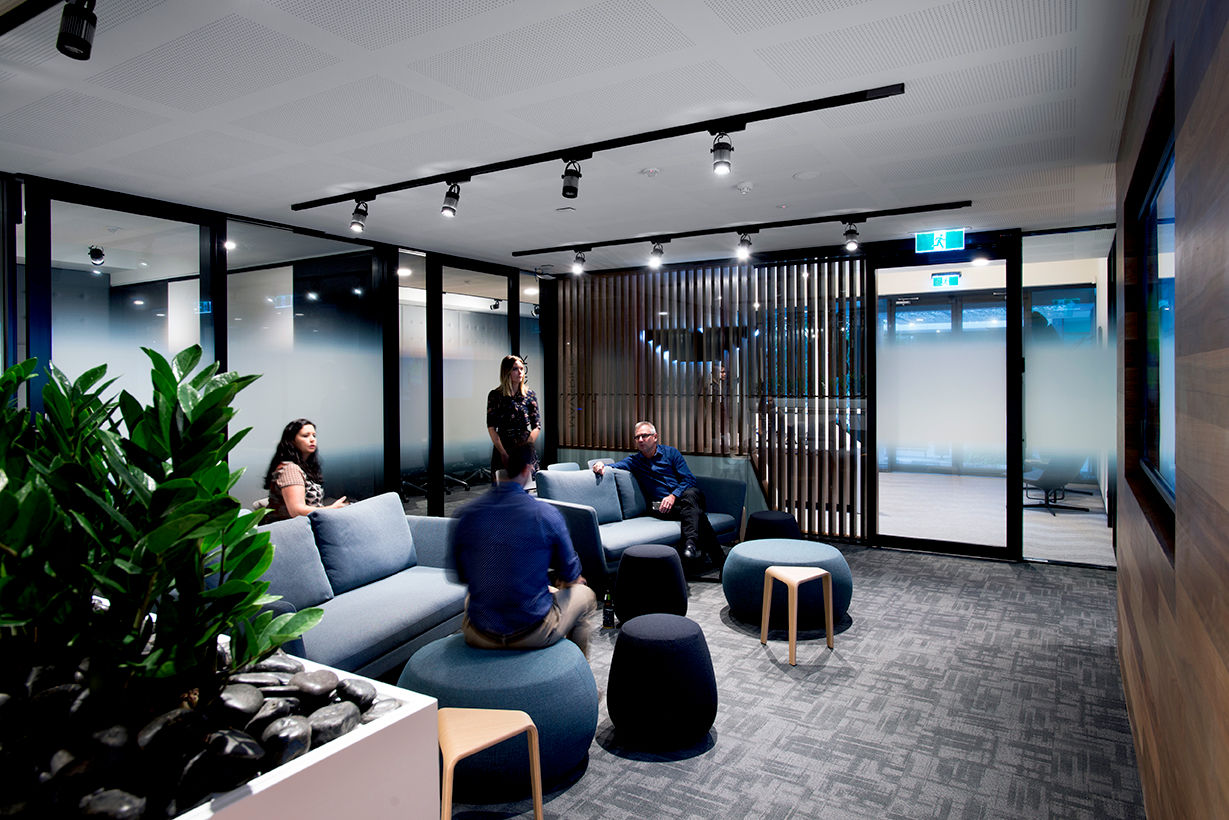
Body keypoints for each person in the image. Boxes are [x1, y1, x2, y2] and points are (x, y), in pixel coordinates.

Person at [450, 443, 597, 656]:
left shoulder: (466, 514)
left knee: (474, 595)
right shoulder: (546, 514)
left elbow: (462, 576)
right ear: (528, 469)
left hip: (479, 633)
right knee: (585, 595)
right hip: (531, 632)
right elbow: (570, 573)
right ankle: (577, 670)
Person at [592, 421, 724, 569]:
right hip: (660, 507)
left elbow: (689, 479)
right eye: (637, 437)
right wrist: (600, 464)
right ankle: (707, 555)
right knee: (697, 514)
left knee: (692, 494)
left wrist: (673, 496)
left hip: (683, 499)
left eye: (644, 436)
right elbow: (612, 466)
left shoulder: (671, 453)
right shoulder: (634, 461)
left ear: (655, 437)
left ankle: (690, 548)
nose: (640, 440)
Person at [263, 418, 347, 521]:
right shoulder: (290, 469)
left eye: (314, 435)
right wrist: (331, 509)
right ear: (292, 440)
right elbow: (296, 511)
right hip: (291, 528)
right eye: (305, 436)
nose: (312, 439)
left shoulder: (303, 466)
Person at [486, 355, 541, 476]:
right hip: (503, 445)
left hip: (525, 444)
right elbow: (491, 427)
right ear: (506, 372)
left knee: (528, 483)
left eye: (521, 368)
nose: (520, 372)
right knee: (503, 482)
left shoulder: (530, 395)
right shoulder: (495, 395)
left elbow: (537, 426)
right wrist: (503, 452)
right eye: (515, 369)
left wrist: (527, 448)